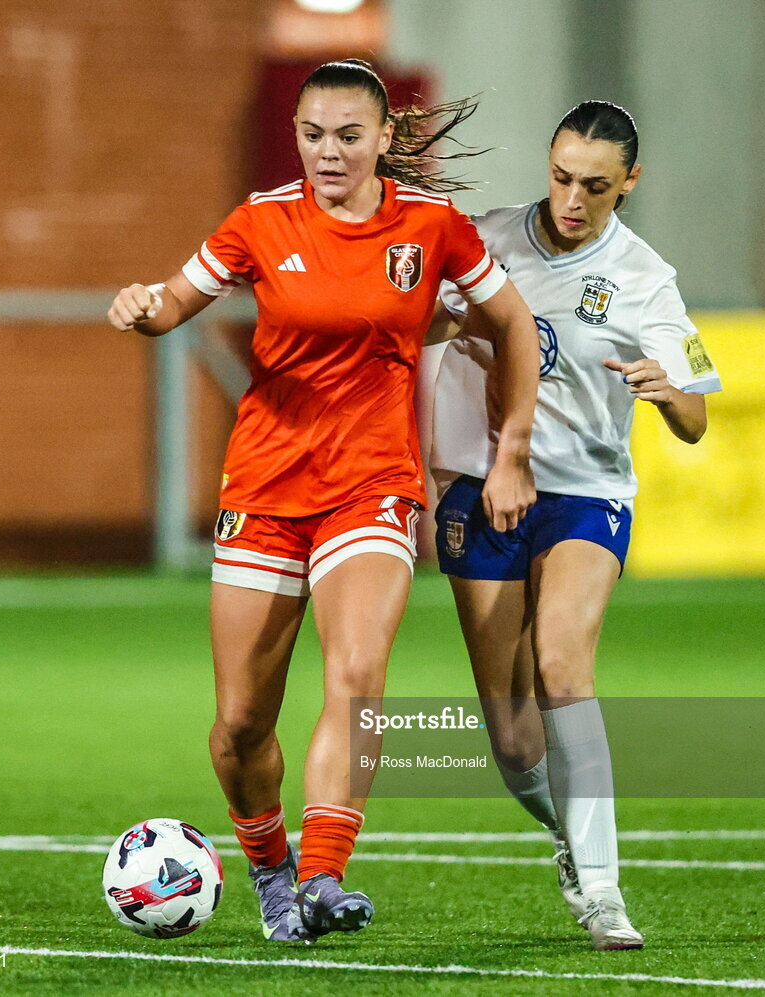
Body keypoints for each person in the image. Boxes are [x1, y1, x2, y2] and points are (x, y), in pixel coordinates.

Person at [107, 59, 539, 943]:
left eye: (349, 135)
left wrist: (513, 447)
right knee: (238, 728)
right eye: (313, 134)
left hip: (373, 485)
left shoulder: (434, 228)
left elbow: (515, 322)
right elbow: (173, 305)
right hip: (265, 489)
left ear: (385, 137)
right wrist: (143, 305)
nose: (328, 152)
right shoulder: (261, 221)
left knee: (356, 675)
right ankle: (270, 869)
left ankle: (323, 875)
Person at [428, 100, 722, 950]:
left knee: (563, 665)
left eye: (595, 185)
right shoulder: (484, 240)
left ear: (629, 182)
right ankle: (567, 828)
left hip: (586, 495)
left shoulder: (646, 278)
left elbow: (699, 411)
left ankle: (602, 892)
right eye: (560, 177)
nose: (571, 199)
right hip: (481, 491)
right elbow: (422, 322)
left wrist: (673, 395)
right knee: (513, 735)